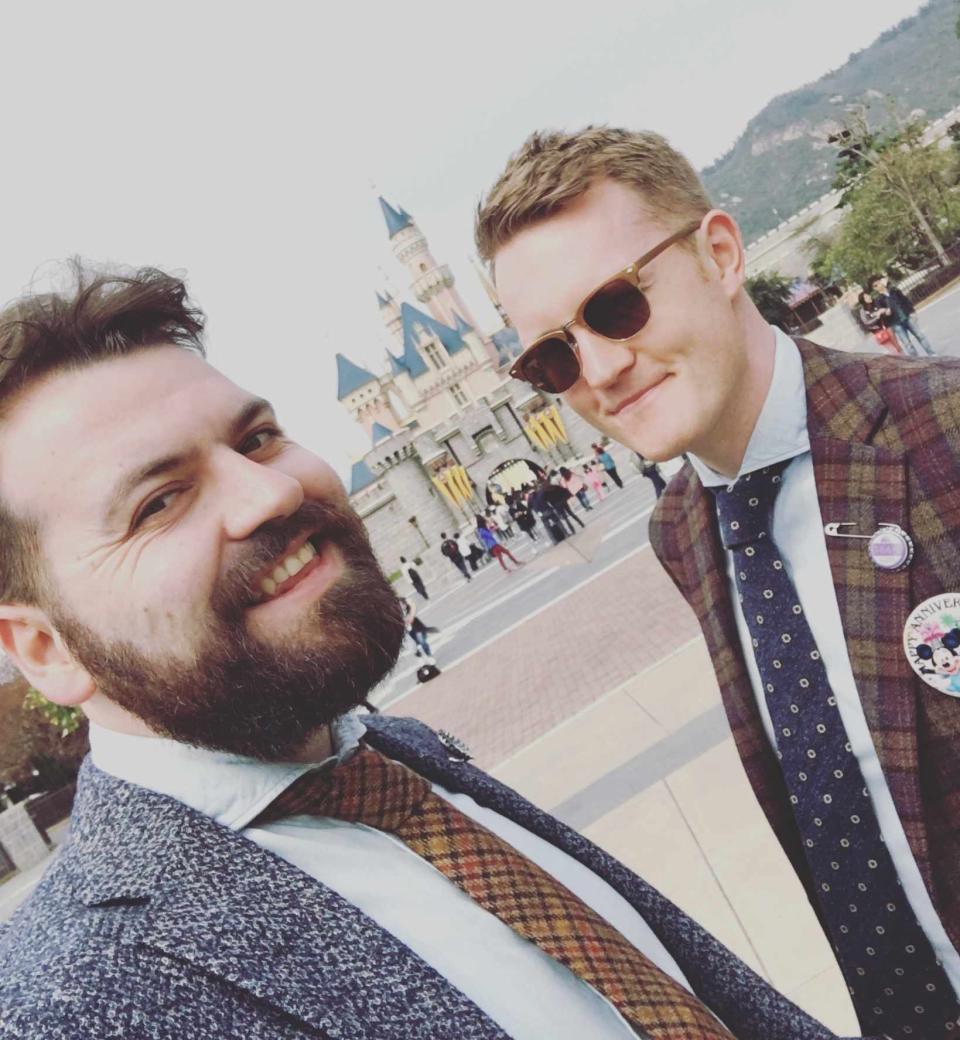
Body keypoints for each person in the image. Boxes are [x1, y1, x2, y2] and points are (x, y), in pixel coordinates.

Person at [0, 261, 840, 1040]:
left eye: (255, 438)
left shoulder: (400, 764)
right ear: (43, 647)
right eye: (158, 502)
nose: (273, 491)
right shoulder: (71, 1006)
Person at [480, 124, 960, 1037]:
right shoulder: (687, 533)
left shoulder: (943, 427)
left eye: (617, 306)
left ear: (721, 254)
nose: (602, 370)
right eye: (553, 356)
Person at [873, 276, 936, 356]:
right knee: (908, 345)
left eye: (878, 283)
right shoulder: (878, 299)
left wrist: (913, 312)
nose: (878, 285)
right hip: (896, 324)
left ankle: (932, 354)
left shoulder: (894, 290)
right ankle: (918, 362)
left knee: (920, 336)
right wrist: (886, 312)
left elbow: (905, 300)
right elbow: (882, 313)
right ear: (875, 289)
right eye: (875, 285)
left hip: (907, 317)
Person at [856, 289, 901, 354]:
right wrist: (877, 317)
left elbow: (885, 309)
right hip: (878, 331)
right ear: (863, 301)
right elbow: (866, 322)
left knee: (898, 347)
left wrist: (884, 311)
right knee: (893, 351)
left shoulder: (876, 302)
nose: (869, 297)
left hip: (887, 327)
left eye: (868, 295)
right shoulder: (863, 311)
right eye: (866, 297)